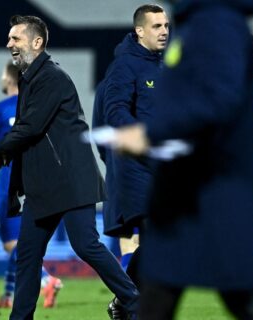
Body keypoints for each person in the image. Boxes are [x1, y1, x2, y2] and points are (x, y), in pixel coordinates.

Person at [105, 0, 253, 320]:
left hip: (214, 184)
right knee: (159, 295)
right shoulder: (197, 24)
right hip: (187, 185)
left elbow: (220, 99)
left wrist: (151, 133)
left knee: (238, 296)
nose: (163, 30)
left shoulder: (217, 23)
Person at [0, 15, 139, 320]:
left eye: (16, 38)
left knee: (86, 245)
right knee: (27, 254)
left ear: (36, 42)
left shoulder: (52, 77)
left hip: (70, 178)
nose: (9, 44)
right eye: (9, 38)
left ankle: (138, 304)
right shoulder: (30, 78)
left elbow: (31, 127)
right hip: (44, 185)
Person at [0, 61, 62, 309]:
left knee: (13, 244)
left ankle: (47, 280)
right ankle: (7, 295)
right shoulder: (34, 106)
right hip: (36, 181)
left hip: (9, 183)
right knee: (20, 244)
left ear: (8, 78)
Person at [98, 4, 169, 273]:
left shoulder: (164, 66)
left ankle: (128, 300)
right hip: (136, 167)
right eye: (157, 26)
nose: (164, 31)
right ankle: (136, 304)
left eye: (166, 25)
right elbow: (114, 111)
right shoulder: (124, 66)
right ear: (140, 31)